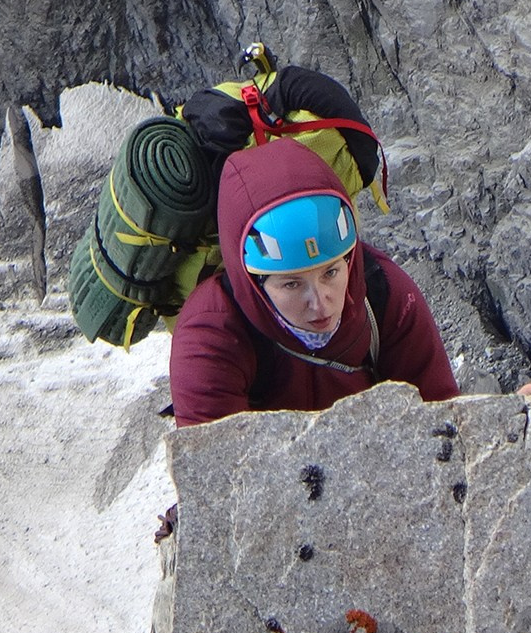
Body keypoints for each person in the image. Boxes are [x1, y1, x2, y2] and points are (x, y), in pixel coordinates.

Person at [168, 137, 458, 425]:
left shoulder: (386, 295)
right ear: (254, 283)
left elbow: (442, 424)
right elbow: (216, 463)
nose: (320, 303)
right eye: (291, 284)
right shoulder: (210, 336)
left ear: (349, 258)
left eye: (330, 273)